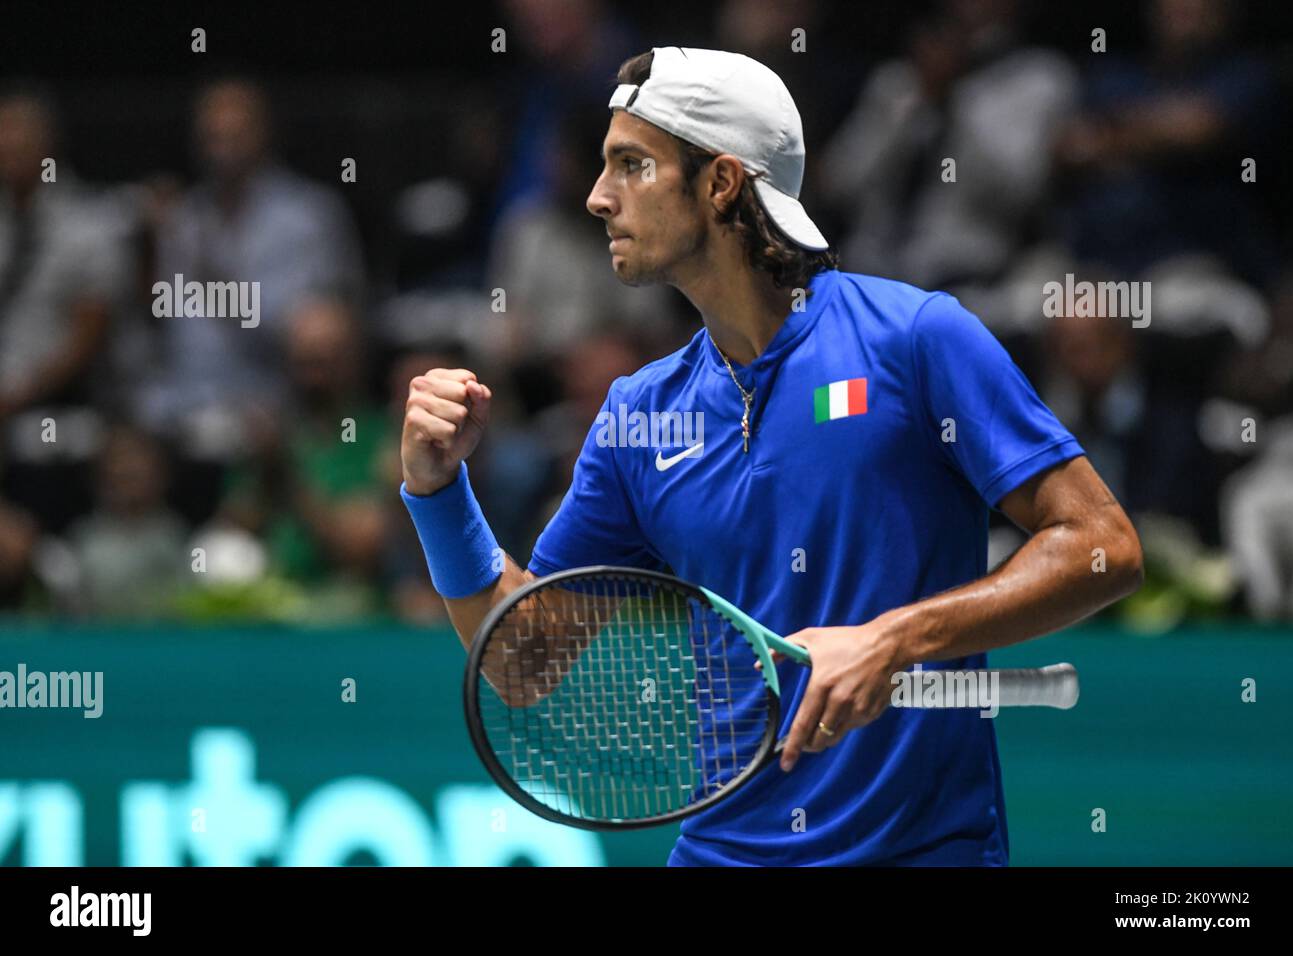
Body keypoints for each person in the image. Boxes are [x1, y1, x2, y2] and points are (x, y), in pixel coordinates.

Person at [399, 48, 1143, 866]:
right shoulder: (639, 416)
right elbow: (522, 661)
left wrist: (895, 639)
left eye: (632, 165)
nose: (596, 196)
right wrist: (438, 494)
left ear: (721, 183)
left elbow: (1103, 547)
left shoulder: (916, 342)